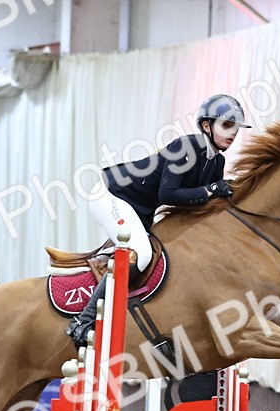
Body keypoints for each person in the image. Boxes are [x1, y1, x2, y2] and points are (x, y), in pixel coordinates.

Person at [65, 93, 251, 347]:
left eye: (236, 129)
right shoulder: (185, 147)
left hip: (140, 207)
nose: (233, 133)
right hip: (112, 195)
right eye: (227, 125)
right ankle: (83, 321)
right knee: (139, 254)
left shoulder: (217, 161)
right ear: (206, 126)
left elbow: (200, 203)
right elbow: (169, 194)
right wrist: (210, 191)